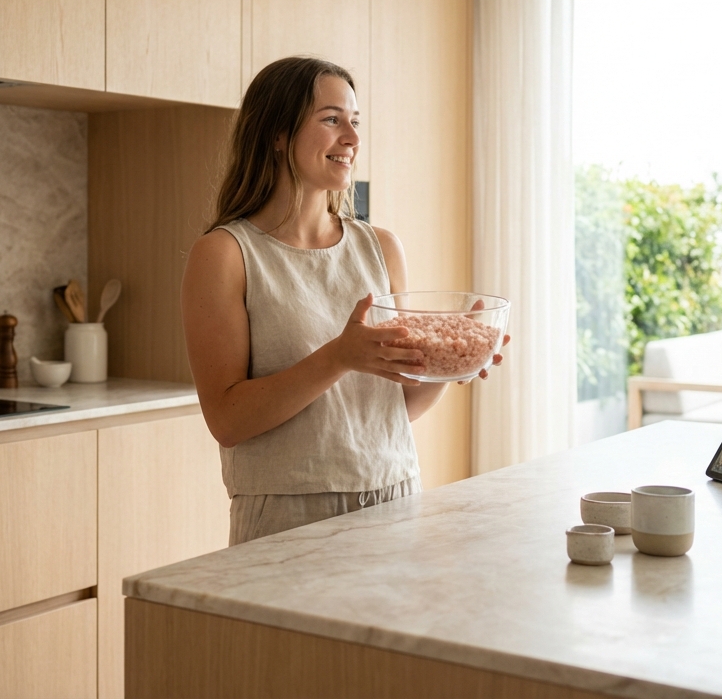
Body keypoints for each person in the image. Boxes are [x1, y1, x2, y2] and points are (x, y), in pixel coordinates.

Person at [181, 56, 506, 546]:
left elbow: (392, 406)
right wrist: (339, 356)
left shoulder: (380, 247)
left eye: (355, 122)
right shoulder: (225, 254)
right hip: (287, 518)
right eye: (332, 120)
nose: (352, 138)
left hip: (395, 496)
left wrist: (450, 363)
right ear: (277, 134)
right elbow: (227, 421)